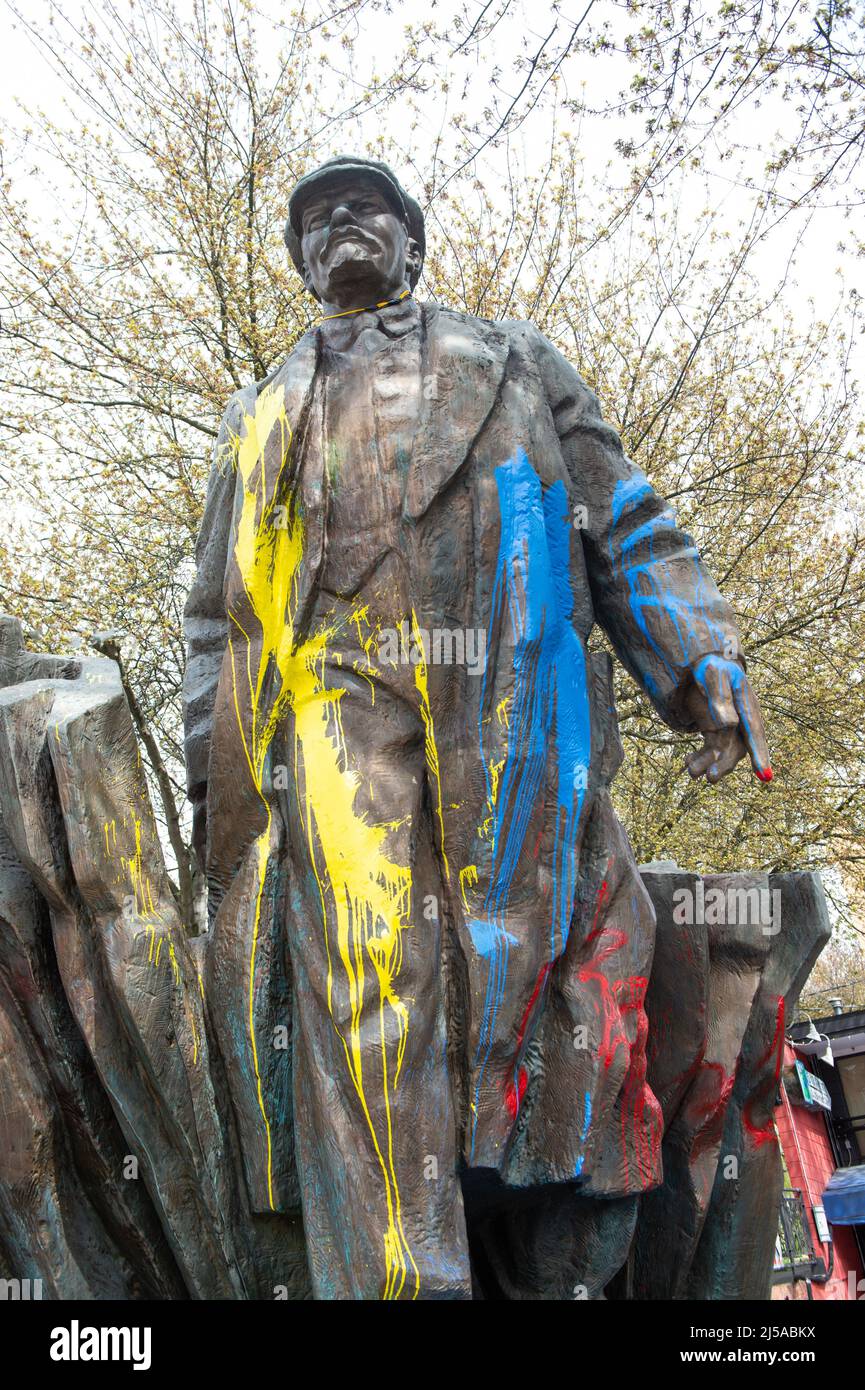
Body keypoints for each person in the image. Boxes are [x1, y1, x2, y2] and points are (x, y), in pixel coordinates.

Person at [182, 155, 771, 1299]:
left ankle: (557, 1251)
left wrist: (697, 655)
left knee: (535, 999)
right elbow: (217, 613)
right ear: (302, 264)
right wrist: (218, 775)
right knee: (369, 982)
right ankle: (405, 1279)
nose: (339, 229)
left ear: (412, 240)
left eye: (364, 210)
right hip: (335, 711)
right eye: (315, 223)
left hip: (502, 705)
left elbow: (619, 512)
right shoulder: (261, 416)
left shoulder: (515, 363)